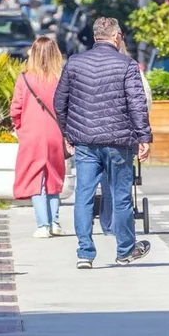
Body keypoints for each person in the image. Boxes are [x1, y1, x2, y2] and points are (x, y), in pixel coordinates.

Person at [54, 17, 152, 269]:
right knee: (121, 197)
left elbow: (59, 102)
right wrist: (144, 137)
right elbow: (137, 104)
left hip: (85, 142)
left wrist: (67, 133)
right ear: (116, 36)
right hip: (118, 142)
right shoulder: (127, 65)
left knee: (83, 196)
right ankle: (125, 251)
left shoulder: (75, 63)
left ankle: (85, 253)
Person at [11, 36, 67, 238]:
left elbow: (15, 109)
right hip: (55, 134)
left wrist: (20, 128)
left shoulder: (24, 78)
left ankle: (43, 225)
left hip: (31, 134)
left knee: (36, 179)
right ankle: (55, 222)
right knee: (54, 177)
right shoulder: (60, 78)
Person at [96, 35, 151, 236]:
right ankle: (121, 226)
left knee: (106, 182)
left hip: (97, 135)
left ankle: (108, 223)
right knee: (121, 183)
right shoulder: (132, 68)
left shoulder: (95, 69)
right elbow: (144, 102)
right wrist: (142, 133)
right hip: (125, 136)